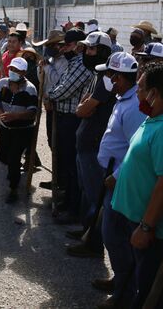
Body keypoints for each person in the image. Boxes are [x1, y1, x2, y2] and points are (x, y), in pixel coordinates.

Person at [85, 52, 145, 308]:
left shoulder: (133, 107)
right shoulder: (123, 99)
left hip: (119, 180)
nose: (107, 79)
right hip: (110, 175)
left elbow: (135, 148)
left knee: (114, 235)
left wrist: (116, 175)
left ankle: (125, 291)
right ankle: (121, 281)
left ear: (119, 77)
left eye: (110, 75)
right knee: (111, 234)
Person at [105, 60, 163, 309]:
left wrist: (146, 227)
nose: (137, 92)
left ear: (155, 93)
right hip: (130, 215)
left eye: (140, 88)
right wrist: (117, 177)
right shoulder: (152, 118)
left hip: (146, 226)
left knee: (148, 290)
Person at [63, 32, 113, 258]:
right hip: (84, 143)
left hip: (94, 146)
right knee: (85, 190)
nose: (86, 53)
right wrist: (84, 106)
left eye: (90, 50)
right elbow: (84, 103)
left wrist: (84, 106)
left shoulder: (105, 79)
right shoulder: (95, 75)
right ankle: (86, 231)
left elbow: (84, 108)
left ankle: (93, 243)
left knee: (94, 195)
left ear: (102, 51)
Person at [48, 28, 93, 221]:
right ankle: (67, 201)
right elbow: (60, 84)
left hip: (72, 119)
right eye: (63, 45)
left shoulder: (82, 65)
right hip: (64, 116)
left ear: (78, 45)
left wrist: (50, 96)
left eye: (67, 45)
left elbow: (64, 89)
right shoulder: (73, 62)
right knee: (66, 162)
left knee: (73, 166)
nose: (64, 48)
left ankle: (74, 209)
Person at [0, 57, 38, 203]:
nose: (12, 72)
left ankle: (13, 188)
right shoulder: (2, 83)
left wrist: (16, 116)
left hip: (23, 129)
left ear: (23, 72)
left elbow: (32, 112)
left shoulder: (30, 89)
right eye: (11, 69)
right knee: (2, 155)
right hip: (6, 127)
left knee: (13, 157)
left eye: (16, 70)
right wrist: (1, 115)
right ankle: (14, 170)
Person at [33, 30, 67, 150]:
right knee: (50, 139)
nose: (48, 48)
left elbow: (57, 81)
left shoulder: (64, 62)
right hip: (48, 104)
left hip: (59, 106)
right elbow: (43, 81)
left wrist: (47, 67)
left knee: (58, 141)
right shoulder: (51, 60)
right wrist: (41, 68)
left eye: (51, 45)